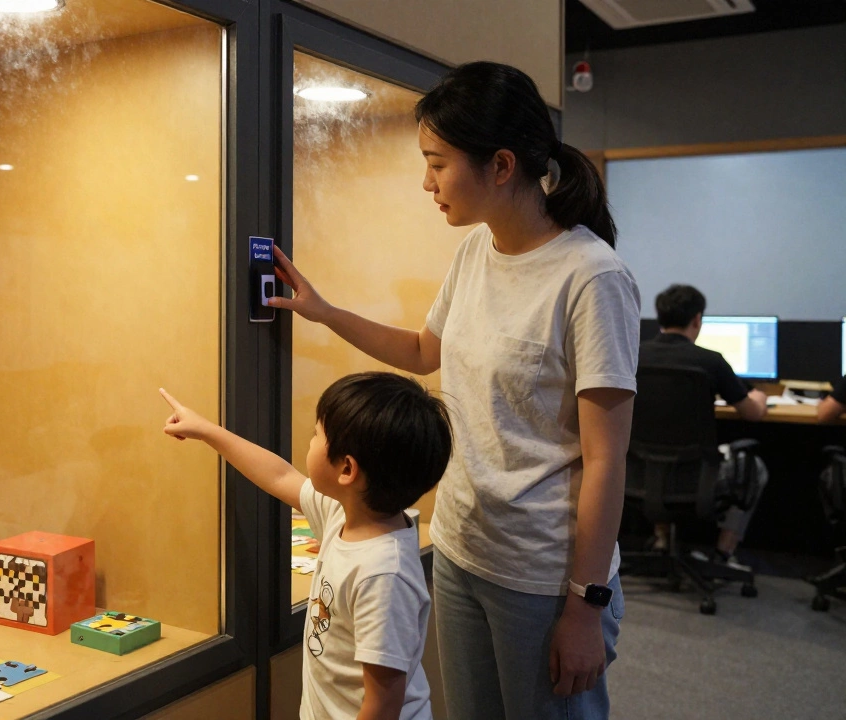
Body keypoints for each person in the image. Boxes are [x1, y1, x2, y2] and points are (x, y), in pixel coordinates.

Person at [267, 61, 638, 719]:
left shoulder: (591, 276)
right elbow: (421, 352)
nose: (426, 182)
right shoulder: (476, 252)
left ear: (500, 165)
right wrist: (324, 311)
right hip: (464, 549)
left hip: (543, 574)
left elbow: (606, 459)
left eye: (437, 163)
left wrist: (586, 604)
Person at [160, 372, 452, 720]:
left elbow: (383, 702)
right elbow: (279, 476)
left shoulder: (383, 575)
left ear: (347, 469)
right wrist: (206, 430)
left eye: (317, 435)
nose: (310, 442)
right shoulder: (344, 513)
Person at [639, 284, 771, 570]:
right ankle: (724, 552)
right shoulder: (710, 360)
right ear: (697, 319)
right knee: (755, 468)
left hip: (636, 475)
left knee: (656, 451)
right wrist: (760, 396)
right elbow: (751, 414)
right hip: (697, 478)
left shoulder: (634, 355)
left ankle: (662, 538)